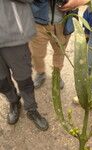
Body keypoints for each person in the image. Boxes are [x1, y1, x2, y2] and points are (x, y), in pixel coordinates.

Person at [0, 0, 49, 131]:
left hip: (14, 35)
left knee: (24, 79)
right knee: (1, 81)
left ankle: (31, 108)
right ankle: (14, 101)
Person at [30, 0, 72, 89]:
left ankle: (56, 74)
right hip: (39, 22)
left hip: (63, 21)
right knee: (36, 53)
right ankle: (40, 72)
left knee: (60, 52)